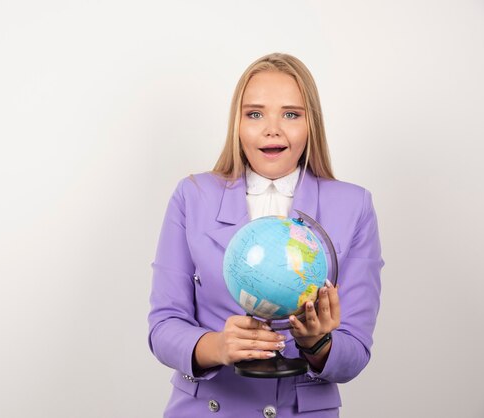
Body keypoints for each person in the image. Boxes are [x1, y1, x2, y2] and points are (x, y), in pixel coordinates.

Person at [148, 52, 384, 418]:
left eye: (291, 114)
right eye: (254, 114)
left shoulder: (354, 206)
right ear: (237, 125)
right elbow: (163, 326)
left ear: (312, 126)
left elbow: (355, 350)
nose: (272, 129)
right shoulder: (192, 196)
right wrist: (218, 346)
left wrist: (316, 343)